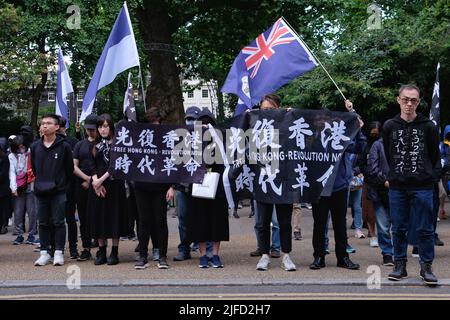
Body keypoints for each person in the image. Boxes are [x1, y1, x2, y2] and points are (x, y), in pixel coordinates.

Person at [382, 84, 440, 286]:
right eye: (405, 99)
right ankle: (400, 265)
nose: (409, 104)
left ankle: (426, 267)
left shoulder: (428, 126)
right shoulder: (389, 125)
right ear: (398, 99)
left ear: (419, 102)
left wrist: (430, 177)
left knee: (425, 228)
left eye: (413, 100)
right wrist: (394, 175)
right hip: (398, 186)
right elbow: (388, 154)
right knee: (398, 228)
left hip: (422, 186)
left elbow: (435, 155)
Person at [309, 100, 366, 271]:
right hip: (318, 188)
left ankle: (343, 257)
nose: (322, 122)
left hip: (339, 185)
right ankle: (319, 256)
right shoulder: (308, 139)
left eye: (325, 119)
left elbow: (359, 148)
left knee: (340, 224)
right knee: (319, 224)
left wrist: (358, 127)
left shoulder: (339, 137)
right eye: (318, 119)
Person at [254, 94, 295, 272]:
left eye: (271, 109)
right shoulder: (255, 125)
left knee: (284, 222)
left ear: (279, 108)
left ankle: (286, 255)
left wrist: (292, 116)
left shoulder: (287, 124)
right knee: (263, 222)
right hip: (263, 178)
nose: (267, 113)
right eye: (264, 110)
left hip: (283, 179)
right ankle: (264, 255)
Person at [188, 108, 229, 268]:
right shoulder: (192, 141)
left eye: (209, 123)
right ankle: (203, 254)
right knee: (200, 220)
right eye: (202, 124)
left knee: (217, 220)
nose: (205, 126)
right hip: (198, 184)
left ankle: (216, 254)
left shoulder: (221, 140)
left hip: (217, 184)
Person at [134, 107, 174, 270]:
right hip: (141, 184)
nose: (153, 125)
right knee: (143, 221)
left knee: (160, 221)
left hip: (161, 185)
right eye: (151, 123)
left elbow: (173, 161)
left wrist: (171, 186)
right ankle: (143, 256)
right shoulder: (140, 136)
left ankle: (162, 256)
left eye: (155, 122)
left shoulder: (167, 137)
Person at [31, 114, 74, 266]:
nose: (44, 126)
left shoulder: (64, 146)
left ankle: (58, 252)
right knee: (42, 222)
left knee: (58, 222)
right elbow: (35, 169)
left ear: (57, 127)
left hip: (59, 191)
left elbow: (69, 169)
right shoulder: (35, 146)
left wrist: (63, 187)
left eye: (49, 123)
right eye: (42, 123)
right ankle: (44, 252)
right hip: (41, 190)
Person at [89, 114, 128, 265]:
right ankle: (101, 250)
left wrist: (100, 180)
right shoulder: (96, 145)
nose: (102, 129)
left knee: (114, 218)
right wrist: (95, 182)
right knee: (99, 218)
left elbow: (115, 166)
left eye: (105, 126)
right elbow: (91, 164)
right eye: (100, 126)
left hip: (114, 185)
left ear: (111, 127)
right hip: (98, 186)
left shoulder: (119, 144)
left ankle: (114, 251)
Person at [173, 106, 200, 262]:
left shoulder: (205, 138)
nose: (190, 122)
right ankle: (184, 248)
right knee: (183, 218)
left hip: (199, 185)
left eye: (193, 119)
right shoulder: (179, 138)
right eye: (188, 119)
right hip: (182, 185)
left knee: (200, 216)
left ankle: (202, 244)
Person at [367, 130, 394, 266]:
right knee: (383, 226)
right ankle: (387, 253)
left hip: (399, 190)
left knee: (399, 225)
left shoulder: (401, 144)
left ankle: (398, 253)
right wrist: (385, 181)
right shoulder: (377, 145)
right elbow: (372, 167)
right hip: (380, 190)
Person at [73, 114, 98, 261]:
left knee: (99, 216)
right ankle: (86, 247)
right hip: (81, 185)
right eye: (88, 129)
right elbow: (74, 166)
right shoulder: (79, 145)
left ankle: (101, 246)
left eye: (93, 129)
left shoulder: (102, 144)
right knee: (83, 218)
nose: (90, 132)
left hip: (99, 185)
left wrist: (93, 181)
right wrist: (87, 179)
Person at [9, 135, 38, 245]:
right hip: (18, 185)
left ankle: (32, 234)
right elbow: (12, 172)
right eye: (18, 147)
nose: (20, 149)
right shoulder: (12, 156)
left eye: (22, 147)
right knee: (18, 211)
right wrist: (13, 187)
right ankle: (19, 234)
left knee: (32, 211)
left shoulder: (31, 153)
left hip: (30, 184)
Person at [57, 116, 79, 259]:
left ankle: (71, 247)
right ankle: (59, 248)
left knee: (68, 219)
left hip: (69, 185)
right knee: (60, 219)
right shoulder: (48, 143)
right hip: (58, 186)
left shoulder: (72, 142)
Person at [0, 138, 11, 235]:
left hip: (3, 187)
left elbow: (4, 174)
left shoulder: (5, 158)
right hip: (3, 187)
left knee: (4, 208)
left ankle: (3, 225)